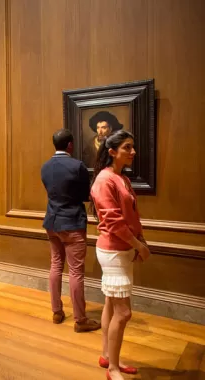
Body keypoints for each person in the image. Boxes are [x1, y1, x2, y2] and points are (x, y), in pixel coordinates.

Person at [90, 130, 150, 380]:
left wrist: (140, 240)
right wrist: (139, 245)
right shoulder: (105, 180)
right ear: (112, 151)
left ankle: (107, 355)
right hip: (114, 250)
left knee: (111, 305)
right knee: (124, 312)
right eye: (128, 147)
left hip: (122, 248)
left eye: (133, 147)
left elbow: (131, 215)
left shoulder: (119, 177)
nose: (133, 152)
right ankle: (113, 368)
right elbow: (113, 222)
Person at [41, 129, 101, 333]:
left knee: (55, 265)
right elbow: (86, 195)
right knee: (76, 272)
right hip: (72, 223)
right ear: (70, 145)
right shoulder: (78, 166)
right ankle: (80, 320)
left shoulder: (45, 167)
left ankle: (57, 311)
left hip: (52, 222)